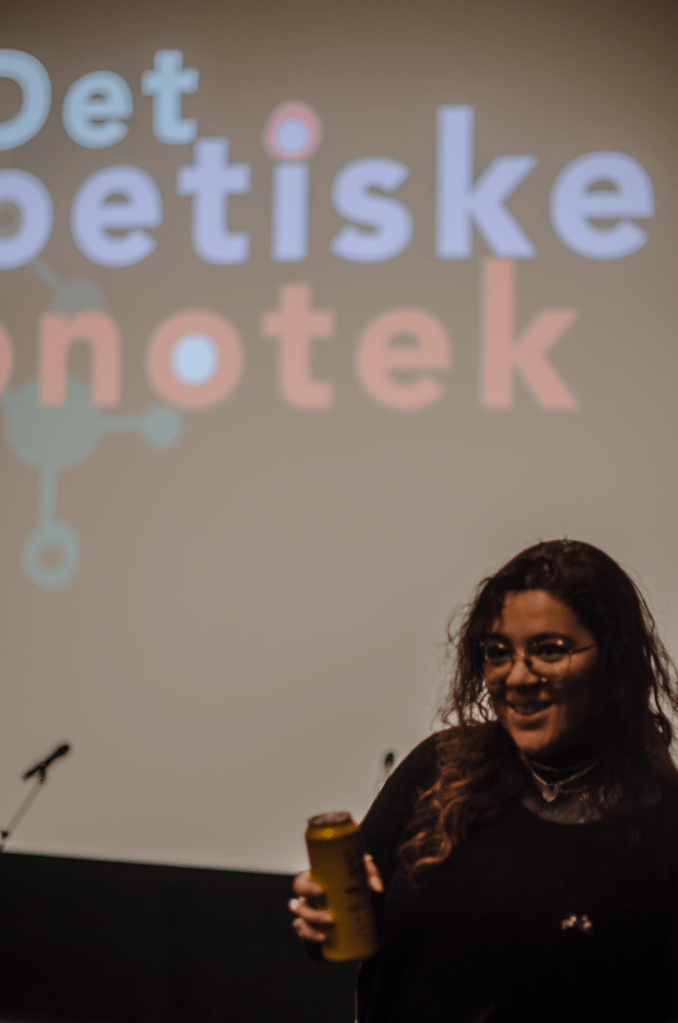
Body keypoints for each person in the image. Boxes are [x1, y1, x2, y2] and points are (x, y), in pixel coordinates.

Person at [288, 539, 678, 1023]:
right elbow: (346, 930)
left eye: (549, 651)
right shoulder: (437, 770)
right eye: (498, 652)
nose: (517, 677)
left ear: (615, 660)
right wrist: (323, 918)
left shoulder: (663, 821)